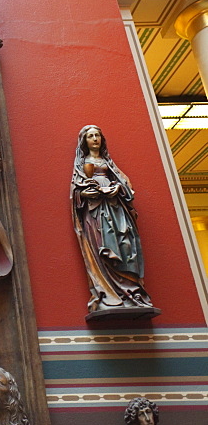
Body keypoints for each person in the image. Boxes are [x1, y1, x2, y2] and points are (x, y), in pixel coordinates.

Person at [71, 125, 154, 316]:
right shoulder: (80, 164)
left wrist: (117, 187)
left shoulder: (109, 164)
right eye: (90, 136)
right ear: (84, 141)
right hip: (96, 211)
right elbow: (76, 192)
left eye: (97, 135)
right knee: (103, 247)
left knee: (125, 244)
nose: (94, 139)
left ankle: (131, 291)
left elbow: (125, 184)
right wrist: (85, 192)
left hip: (116, 209)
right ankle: (108, 291)